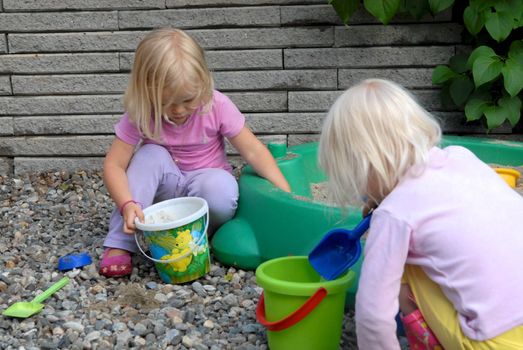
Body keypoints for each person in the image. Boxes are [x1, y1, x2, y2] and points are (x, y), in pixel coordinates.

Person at [318, 78, 523, 349]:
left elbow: (373, 315)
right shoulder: (460, 157)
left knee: (404, 262)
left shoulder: (394, 215)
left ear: (364, 165)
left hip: (498, 343)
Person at [100, 28, 290, 278]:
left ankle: (198, 236)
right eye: (166, 103)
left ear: (203, 82)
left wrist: (285, 193)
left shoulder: (217, 105)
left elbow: (254, 151)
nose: (178, 110)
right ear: (146, 92)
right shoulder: (142, 111)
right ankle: (119, 242)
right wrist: (127, 204)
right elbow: (114, 165)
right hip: (163, 196)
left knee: (221, 188)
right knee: (149, 156)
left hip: (204, 188)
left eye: (188, 99)